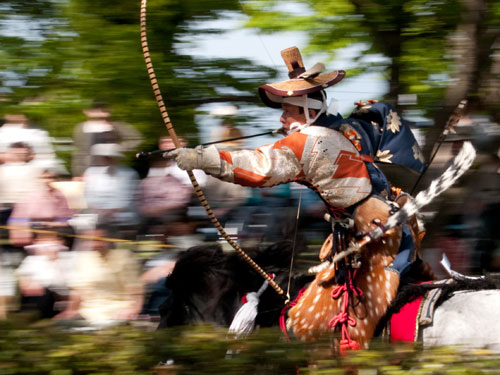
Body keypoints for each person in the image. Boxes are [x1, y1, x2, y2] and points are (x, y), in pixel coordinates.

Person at [167, 46, 429, 281]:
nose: (281, 119)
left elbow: (260, 167)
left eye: (287, 112)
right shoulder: (349, 128)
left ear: (310, 114)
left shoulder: (309, 141)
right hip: (383, 225)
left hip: (370, 236)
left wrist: (201, 158)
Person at [56, 224, 144, 327]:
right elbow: (78, 291)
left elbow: (135, 290)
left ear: (109, 240)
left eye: (99, 239)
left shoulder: (124, 257)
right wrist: (71, 311)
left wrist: (132, 310)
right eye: (90, 240)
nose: (95, 244)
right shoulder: (83, 259)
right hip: (87, 314)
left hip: (118, 312)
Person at [83, 142, 140, 233]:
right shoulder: (91, 173)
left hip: (122, 215)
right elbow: (88, 196)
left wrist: (112, 211)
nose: (109, 160)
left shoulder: (129, 174)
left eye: (111, 157)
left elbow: (129, 199)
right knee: (88, 222)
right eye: (106, 157)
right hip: (98, 214)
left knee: (126, 219)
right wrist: (101, 210)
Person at [72, 104, 143, 177]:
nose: (99, 112)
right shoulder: (80, 128)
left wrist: (116, 148)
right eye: (96, 109)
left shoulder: (116, 125)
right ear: (87, 112)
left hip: (111, 169)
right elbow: (79, 152)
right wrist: (78, 173)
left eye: (102, 110)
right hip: (88, 170)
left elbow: (135, 139)